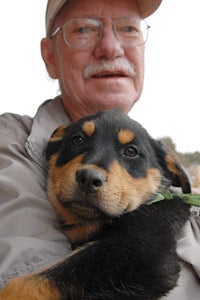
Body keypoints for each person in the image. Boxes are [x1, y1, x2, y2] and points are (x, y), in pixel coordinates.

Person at [0, 0, 199, 298]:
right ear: (50, 56)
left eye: (128, 28)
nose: (111, 47)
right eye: (85, 29)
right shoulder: (13, 143)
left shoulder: (161, 165)